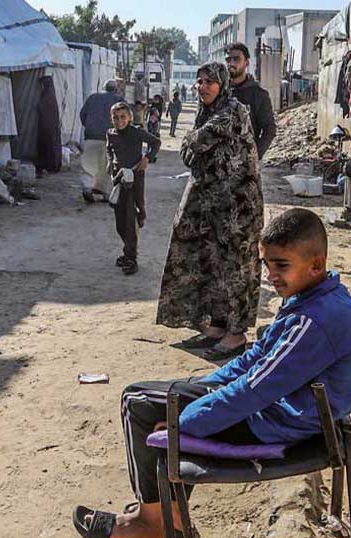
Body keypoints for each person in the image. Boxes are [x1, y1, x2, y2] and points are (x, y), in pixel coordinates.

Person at [73, 208, 351, 538]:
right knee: (160, 396)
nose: (271, 275)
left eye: (281, 266)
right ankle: (167, 514)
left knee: (139, 403)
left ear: (316, 265)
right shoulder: (313, 296)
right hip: (281, 408)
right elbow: (257, 356)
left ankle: (153, 523)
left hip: (281, 422)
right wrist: (202, 385)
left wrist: (181, 425)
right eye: (267, 265)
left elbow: (254, 391)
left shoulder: (315, 319)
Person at [157, 62, 264, 361]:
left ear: (222, 84)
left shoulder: (232, 110)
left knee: (236, 268)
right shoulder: (208, 113)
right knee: (213, 265)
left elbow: (199, 141)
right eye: (199, 81)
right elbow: (186, 151)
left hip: (237, 208)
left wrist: (192, 142)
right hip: (211, 207)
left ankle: (236, 334)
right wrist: (191, 143)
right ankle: (217, 326)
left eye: (209, 82)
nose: (202, 87)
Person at [106, 102, 161, 276]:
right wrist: (110, 161)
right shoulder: (111, 133)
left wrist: (147, 158)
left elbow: (156, 142)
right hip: (118, 179)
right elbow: (109, 149)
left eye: (123, 117)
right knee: (120, 220)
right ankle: (128, 250)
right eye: (115, 117)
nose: (119, 120)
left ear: (130, 117)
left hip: (134, 177)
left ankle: (131, 258)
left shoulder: (136, 132)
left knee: (131, 217)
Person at [224, 43, 278, 160]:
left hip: (244, 167)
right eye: (228, 59)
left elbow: (269, 130)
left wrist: (253, 157)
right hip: (219, 165)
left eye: (236, 59)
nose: (231, 63)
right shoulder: (219, 92)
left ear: (246, 62)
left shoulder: (258, 95)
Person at [79, 79, 125, 203]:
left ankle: (87, 188)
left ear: (104, 88)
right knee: (107, 165)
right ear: (116, 89)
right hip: (110, 136)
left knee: (89, 162)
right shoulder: (119, 101)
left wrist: (89, 126)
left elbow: (83, 114)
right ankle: (105, 192)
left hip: (91, 135)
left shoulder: (93, 97)